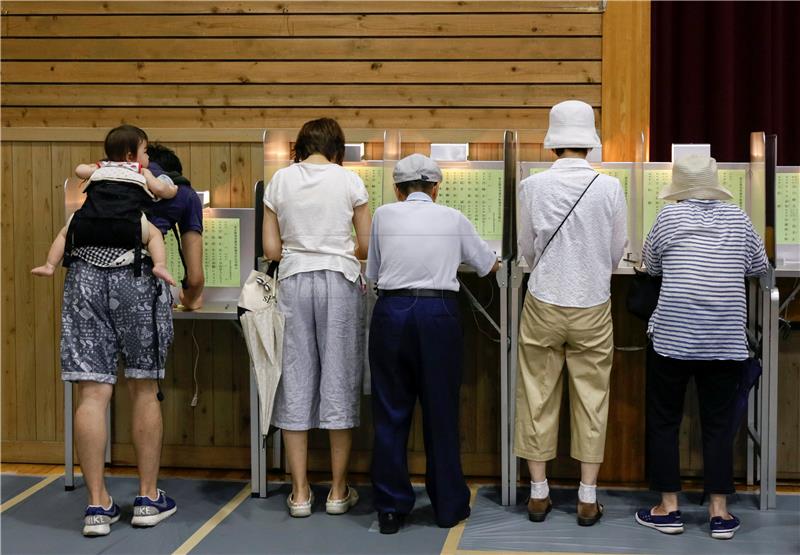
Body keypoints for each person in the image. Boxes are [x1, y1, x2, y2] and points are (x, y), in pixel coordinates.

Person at [52, 128, 178, 536]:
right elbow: (168, 194)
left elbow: (78, 173)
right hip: (136, 273)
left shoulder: (96, 177)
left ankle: (96, 505)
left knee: (92, 392)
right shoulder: (142, 177)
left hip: (85, 275)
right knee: (143, 385)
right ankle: (147, 498)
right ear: (134, 153)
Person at [634, 155, 768, 540]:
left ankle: (668, 508)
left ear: (679, 187)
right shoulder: (739, 218)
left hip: (673, 337)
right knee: (718, 425)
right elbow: (758, 265)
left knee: (664, 420)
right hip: (725, 339)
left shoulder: (667, 218)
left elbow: (652, 265)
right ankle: (720, 513)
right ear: (715, 184)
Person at [366, 154, 500, 534]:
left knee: (391, 413)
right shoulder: (453, 218)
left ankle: (391, 509)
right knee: (441, 411)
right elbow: (487, 264)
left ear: (397, 189)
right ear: (437, 188)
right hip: (438, 312)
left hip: (392, 311)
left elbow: (374, 272)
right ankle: (447, 506)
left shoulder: (382, 216)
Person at [515, 100, 627, 526]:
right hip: (593, 303)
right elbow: (617, 252)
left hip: (543, 299)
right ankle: (586, 495)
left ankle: (539, 493)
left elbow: (526, 250)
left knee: (536, 393)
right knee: (592, 398)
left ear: (553, 142)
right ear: (589, 140)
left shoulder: (532, 186)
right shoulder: (610, 187)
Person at [261, 117, 371, 518]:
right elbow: (364, 245)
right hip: (340, 281)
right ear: (337, 147)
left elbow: (271, 249)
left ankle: (301, 492)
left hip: (293, 281)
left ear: (300, 146)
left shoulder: (280, 181)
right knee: (339, 377)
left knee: (295, 379)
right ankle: (339, 490)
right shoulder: (349, 181)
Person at [31, 125, 176, 286]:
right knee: (154, 234)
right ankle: (160, 265)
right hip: (127, 221)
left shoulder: (101, 166)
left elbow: (79, 170)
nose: (148, 155)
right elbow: (160, 189)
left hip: (91, 219)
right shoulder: (141, 170)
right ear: (130, 156)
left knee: (65, 233)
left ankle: (50, 265)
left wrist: (94, 167)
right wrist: (173, 189)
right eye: (145, 151)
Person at [146, 143, 205, 310]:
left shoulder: (107, 179)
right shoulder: (184, 192)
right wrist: (190, 300)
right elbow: (195, 279)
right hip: (140, 281)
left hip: (86, 279)